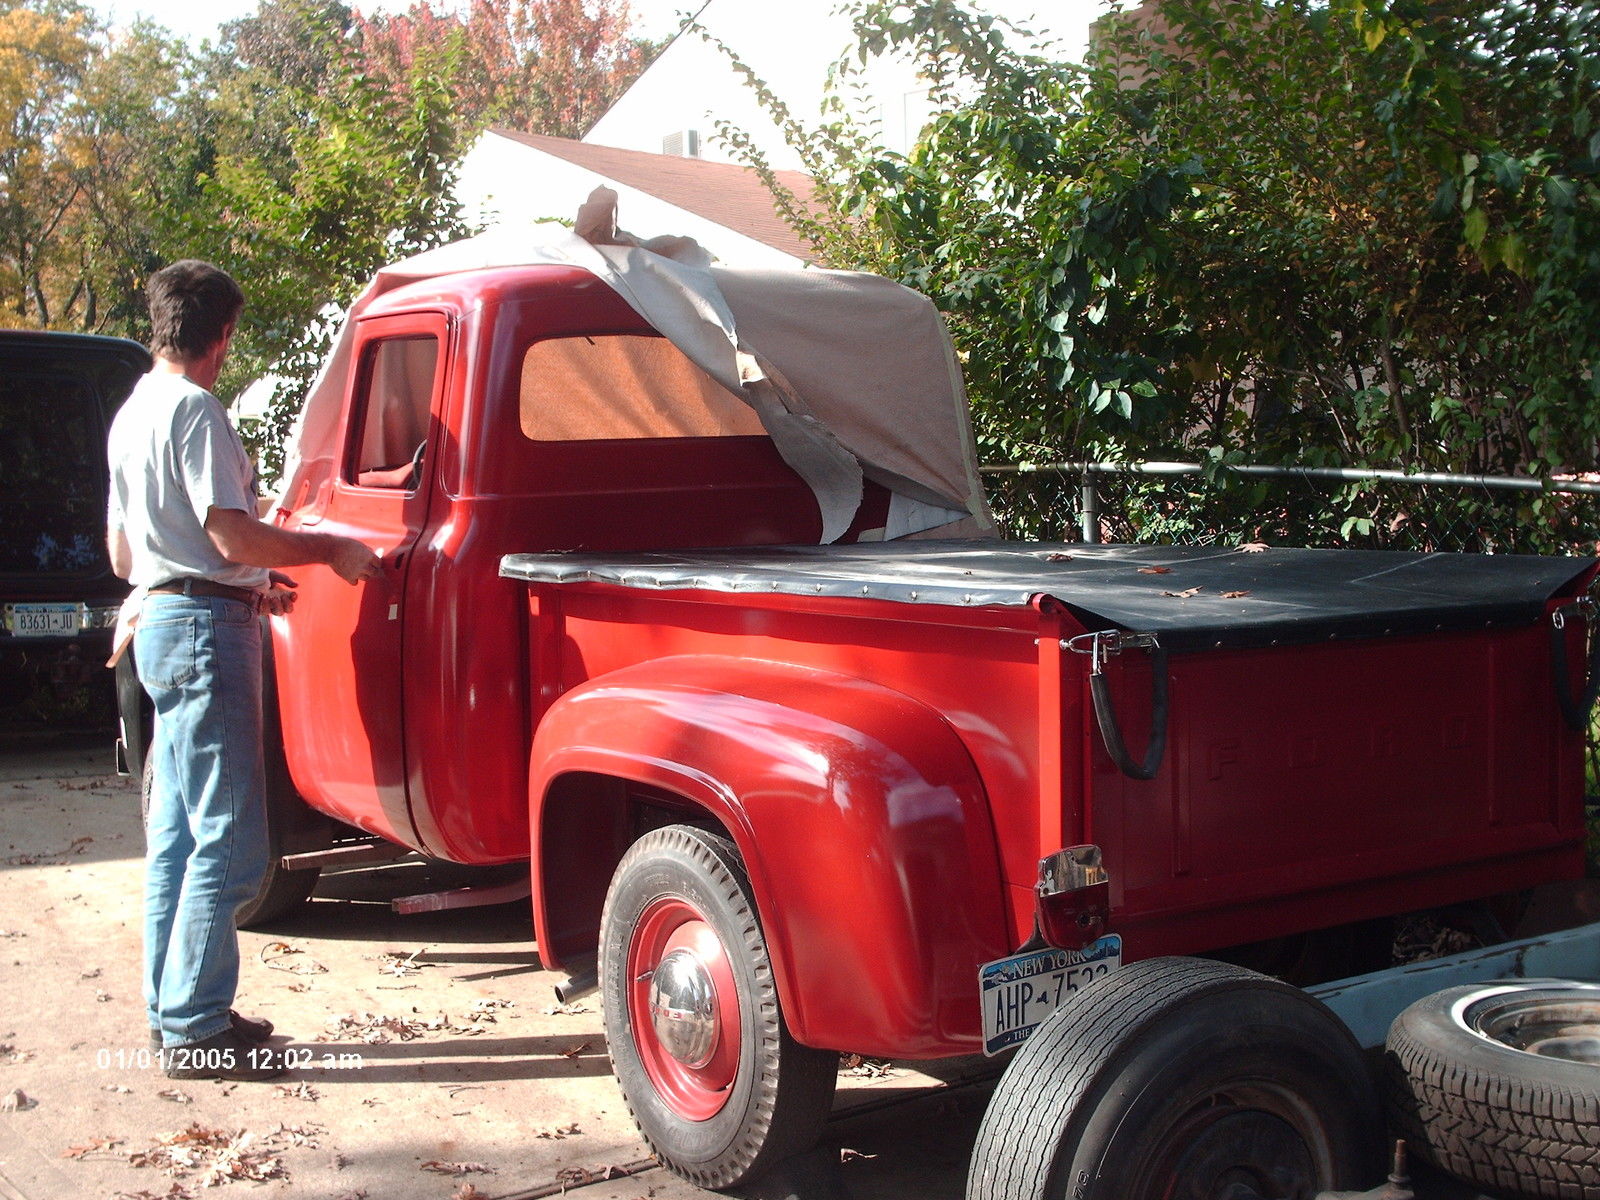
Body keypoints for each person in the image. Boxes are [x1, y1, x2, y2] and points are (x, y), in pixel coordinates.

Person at [106, 260, 381, 1081]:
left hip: (159, 619)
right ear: (221, 335)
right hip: (202, 630)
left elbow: (126, 553)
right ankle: (196, 1027)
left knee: (177, 836)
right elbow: (229, 534)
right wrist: (327, 550)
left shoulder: (131, 414)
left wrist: (240, 582)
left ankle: (175, 1011)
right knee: (233, 839)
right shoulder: (195, 411)